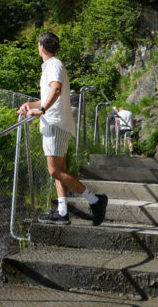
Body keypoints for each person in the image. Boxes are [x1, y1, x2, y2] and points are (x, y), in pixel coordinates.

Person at [18, 32, 108, 226]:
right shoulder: (52, 66)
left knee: (54, 171)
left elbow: (56, 89)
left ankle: (95, 200)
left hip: (55, 124)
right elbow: (50, 96)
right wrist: (31, 105)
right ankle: (62, 212)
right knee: (61, 170)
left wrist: (40, 110)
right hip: (56, 123)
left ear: (41, 46)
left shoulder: (53, 65)